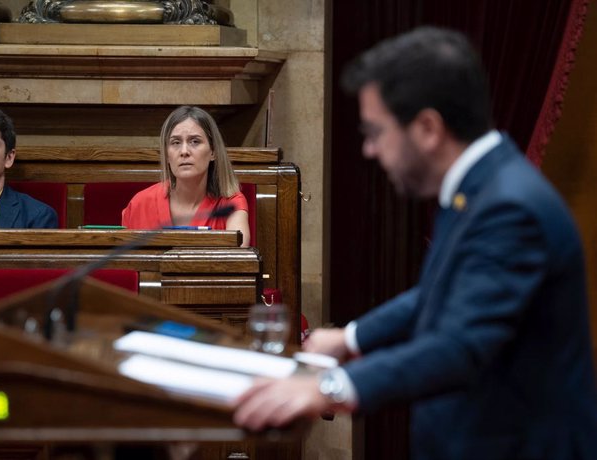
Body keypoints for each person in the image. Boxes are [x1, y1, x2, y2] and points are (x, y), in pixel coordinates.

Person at [234, 27, 597, 460]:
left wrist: (331, 386)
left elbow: (460, 348)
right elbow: (440, 291)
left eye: (376, 131)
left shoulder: (509, 207)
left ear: (427, 128)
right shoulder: (481, 185)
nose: (369, 149)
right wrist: (352, 338)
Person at [121, 106, 250, 247]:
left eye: (195, 141)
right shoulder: (140, 203)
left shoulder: (230, 203)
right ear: (167, 155)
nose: (184, 151)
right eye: (175, 143)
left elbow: (238, 260)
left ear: (213, 151)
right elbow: (125, 264)